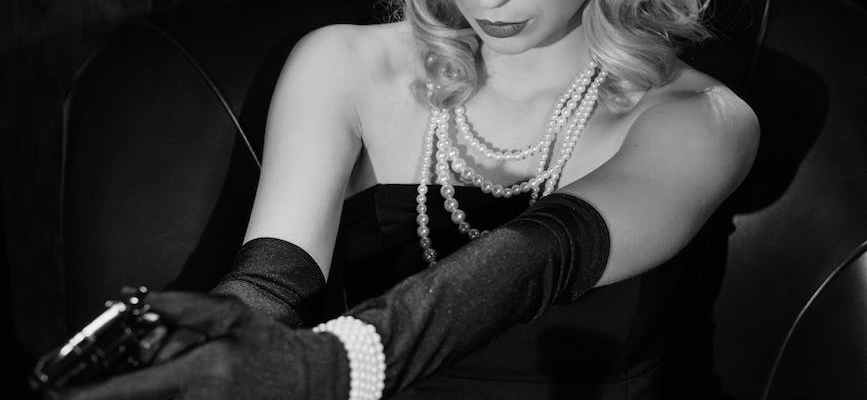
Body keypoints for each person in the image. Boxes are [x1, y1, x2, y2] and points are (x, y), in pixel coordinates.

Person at [58, 0, 759, 399]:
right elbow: (276, 276)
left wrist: (321, 370)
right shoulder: (343, 63)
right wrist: (221, 344)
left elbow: (539, 255)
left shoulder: (701, 118)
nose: (491, 1)